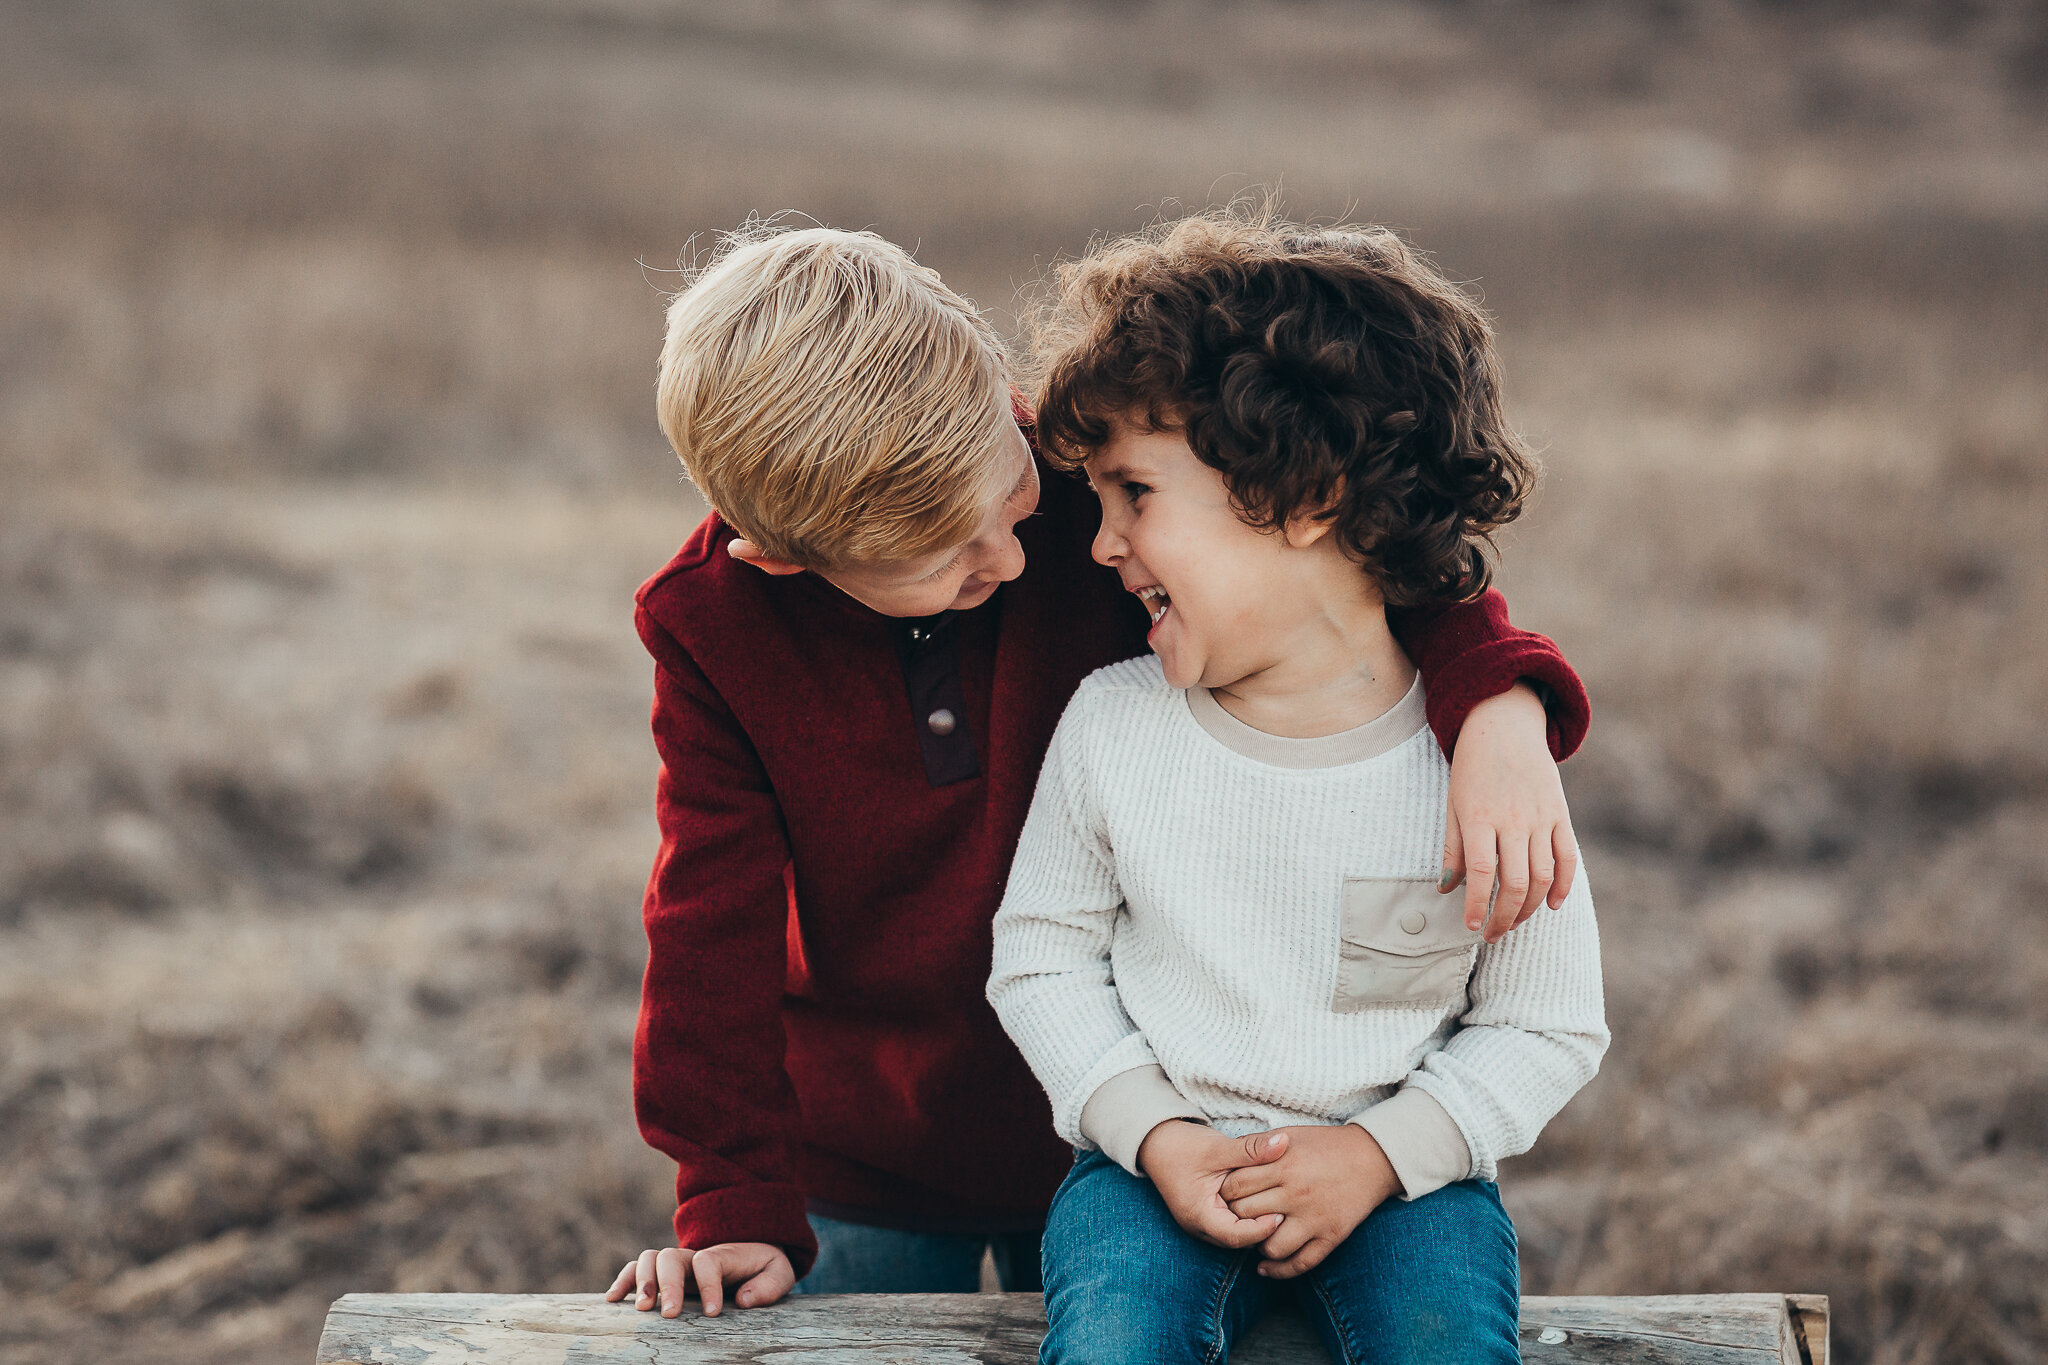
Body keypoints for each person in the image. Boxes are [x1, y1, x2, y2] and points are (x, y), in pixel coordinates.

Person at [602, 221, 1593, 1320]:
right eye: (948, 559)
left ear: (994, 390)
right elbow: (707, 922)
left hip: (1131, 1126)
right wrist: (731, 1193)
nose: (1021, 559)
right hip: (863, 1146)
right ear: (787, 560)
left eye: (1009, 497)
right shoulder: (711, 626)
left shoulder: (1101, 481)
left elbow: (1357, 558)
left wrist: (1498, 696)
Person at [986, 207, 1608, 1364]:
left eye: (1133, 493)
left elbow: (1545, 1021)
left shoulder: (1480, 759)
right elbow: (1041, 958)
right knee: (1114, 1343)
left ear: (1303, 496)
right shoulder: (1114, 727)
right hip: (1144, 1175)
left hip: (1408, 1183)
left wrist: (1380, 1155)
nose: (1099, 543)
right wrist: (1153, 1132)